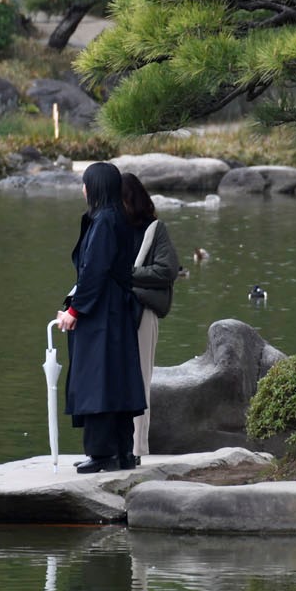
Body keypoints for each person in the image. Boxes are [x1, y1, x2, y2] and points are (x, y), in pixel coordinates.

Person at [55, 162, 146, 473]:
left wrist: (74, 310)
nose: (83, 189)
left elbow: (94, 271)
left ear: (95, 187)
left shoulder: (105, 221)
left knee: (98, 379)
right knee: (115, 378)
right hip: (114, 309)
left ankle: (103, 453)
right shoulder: (117, 218)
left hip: (102, 313)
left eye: (85, 183)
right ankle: (122, 452)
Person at [122, 172, 179, 464]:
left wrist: (126, 275)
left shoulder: (154, 229)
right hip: (116, 314)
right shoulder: (110, 227)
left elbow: (167, 271)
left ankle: (137, 450)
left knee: (142, 378)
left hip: (143, 312)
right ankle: (117, 446)